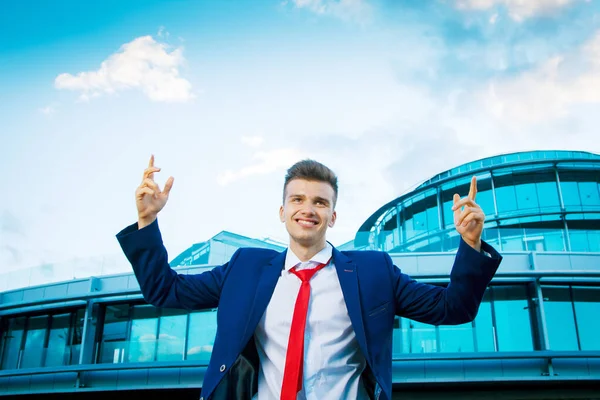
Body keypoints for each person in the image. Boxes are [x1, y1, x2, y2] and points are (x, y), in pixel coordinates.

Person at [116, 156, 502, 400]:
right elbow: (165, 290)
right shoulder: (246, 268)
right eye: (297, 200)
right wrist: (147, 222)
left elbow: (454, 308)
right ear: (282, 212)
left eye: (320, 202)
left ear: (332, 217)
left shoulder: (373, 272)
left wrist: (470, 244)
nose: (308, 209)